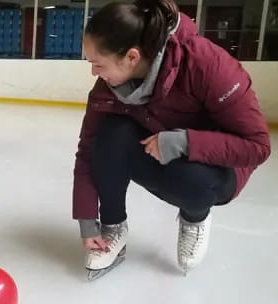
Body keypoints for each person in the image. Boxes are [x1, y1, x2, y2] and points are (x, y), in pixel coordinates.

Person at [73, 0, 271, 280]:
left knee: (192, 181)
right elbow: (87, 151)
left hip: (215, 169)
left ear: (131, 56)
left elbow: (257, 147)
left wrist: (184, 142)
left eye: (97, 63)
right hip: (155, 149)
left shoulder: (207, 64)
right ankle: (113, 226)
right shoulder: (107, 88)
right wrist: (86, 220)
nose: (94, 72)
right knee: (111, 131)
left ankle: (195, 217)